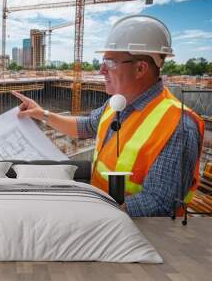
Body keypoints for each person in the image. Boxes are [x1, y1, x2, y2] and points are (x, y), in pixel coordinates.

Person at [12, 15, 204, 217]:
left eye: (110, 62)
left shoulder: (178, 126)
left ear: (140, 68)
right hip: (106, 216)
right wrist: (42, 113)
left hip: (136, 236)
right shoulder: (117, 104)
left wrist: (87, 212)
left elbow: (159, 204)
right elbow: (86, 126)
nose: (101, 70)